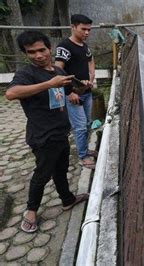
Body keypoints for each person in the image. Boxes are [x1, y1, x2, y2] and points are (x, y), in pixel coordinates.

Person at [5, 31, 89, 233]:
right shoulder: (27, 74)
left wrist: (84, 87)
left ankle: (67, 199)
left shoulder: (58, 73)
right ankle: (31, 211)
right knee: (41, 175)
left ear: (49, 48)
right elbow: (10, 94)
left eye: (41, 50)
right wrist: (48, 84)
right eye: (31, 52)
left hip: (61, 132)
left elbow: (71, 92)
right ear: (26, 54)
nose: (38, 55)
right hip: (42, 136)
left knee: (60, 170)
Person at [55, 14, 97, 169]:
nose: (86, 33)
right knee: (79, 126)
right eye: (83, 29)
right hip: (73, 94)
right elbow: (58, 71)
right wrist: (68, 92)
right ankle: (83, 156)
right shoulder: (65, 46)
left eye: (89, 30)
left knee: (87, 124)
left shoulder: (84, 46)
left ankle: (85, 150)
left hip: (86, 92)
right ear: (72, 27)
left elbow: (90, 60)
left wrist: (92, 76)